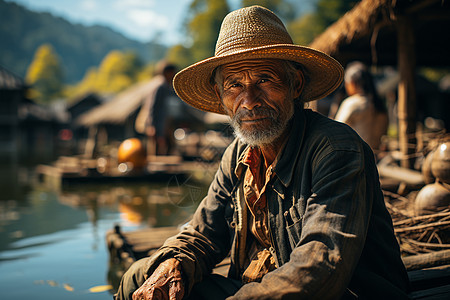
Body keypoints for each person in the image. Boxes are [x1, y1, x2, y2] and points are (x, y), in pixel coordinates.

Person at [117, 6, 410, 300]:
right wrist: (174, 264)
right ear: (221, 98)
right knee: (140, 277)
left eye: (265, 80)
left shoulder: (335, 149)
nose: (250, 101)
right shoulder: (237, 155)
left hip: (338, 293)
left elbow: (319, 268)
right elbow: (203, 232)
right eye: (234, 85)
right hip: (256, 288)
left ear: (295, 85)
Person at [334, 62, 389, 151]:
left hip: (355, 156)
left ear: (352, 83)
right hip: (374, 157)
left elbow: (335, 131)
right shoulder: (379, 105)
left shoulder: (351, 103)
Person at [135, 61, 178, 155]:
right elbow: (152, 107)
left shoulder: (167, 86)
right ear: (167, 72)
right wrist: (152, 126)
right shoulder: (160, 86)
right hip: (154, 124)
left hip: (162, 124)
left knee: (167, 146)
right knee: (155, 149)